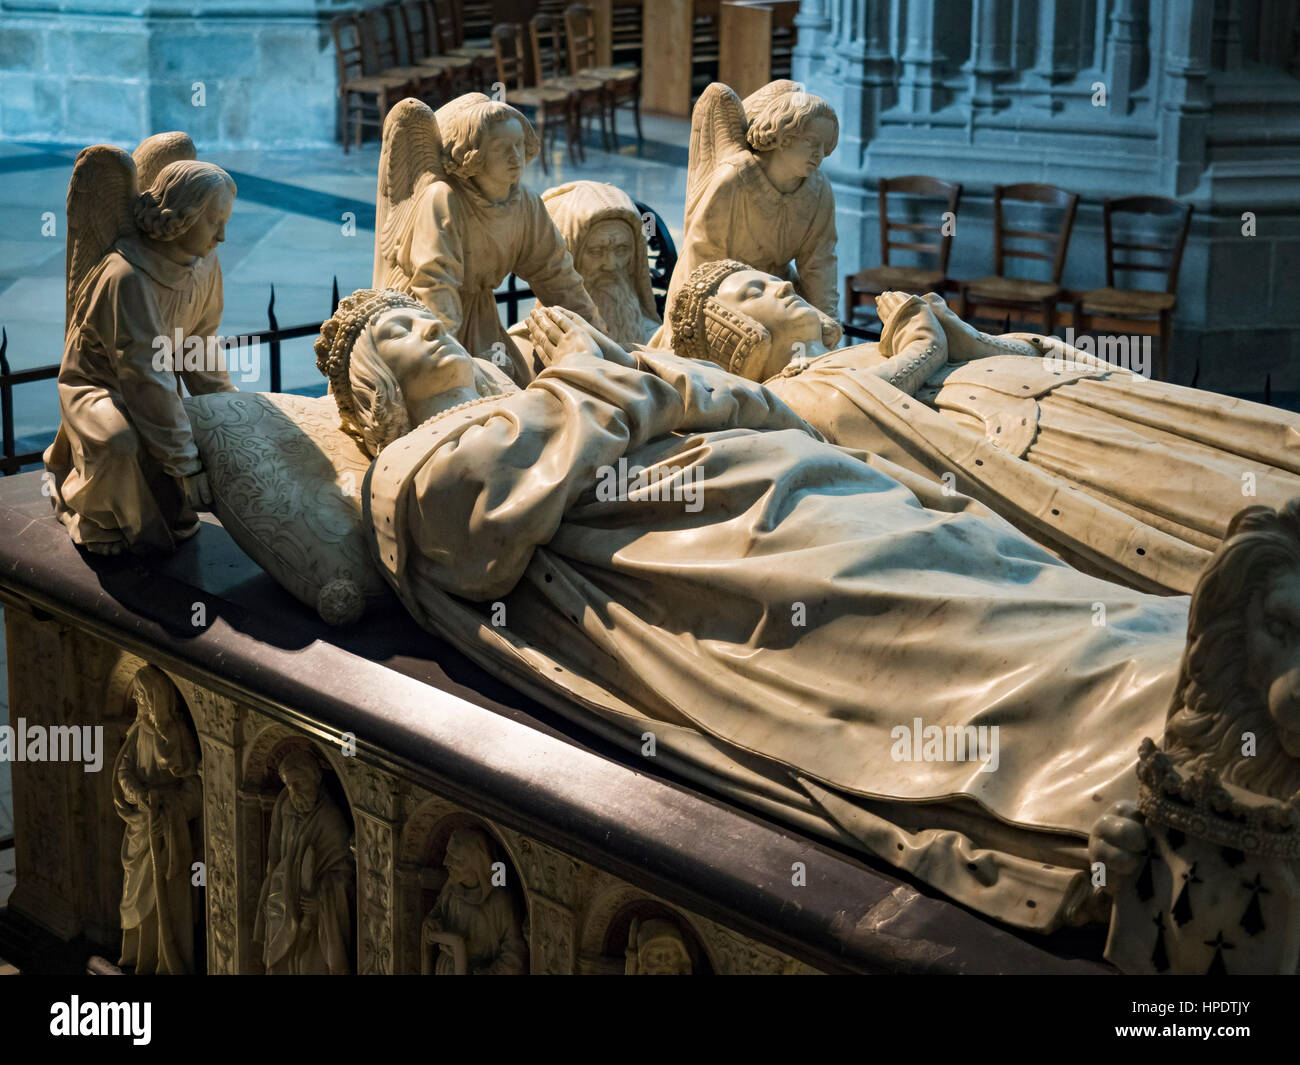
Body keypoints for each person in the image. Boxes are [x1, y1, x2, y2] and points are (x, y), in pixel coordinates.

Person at [314, 287, 1211, 934]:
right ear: (370, 394)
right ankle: (1141, 722)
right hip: (727, 572)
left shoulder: (538, 398)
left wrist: (632, 385)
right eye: (396, 331)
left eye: (425, 316)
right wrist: (609, 376)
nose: (427, 329)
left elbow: (718, 395)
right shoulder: (415, 473)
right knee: (947, 627)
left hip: (789, 488)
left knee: (990, 568)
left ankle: (1154, 660)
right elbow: (498, 509)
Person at [667, 259, 1300, 596]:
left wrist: (968, 339)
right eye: (753, 289)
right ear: (733, 331)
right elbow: (850, 412)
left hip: (1067, 400)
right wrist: (921, 342)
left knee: (1247, 444)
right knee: (1220, 503)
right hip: (1040, 451)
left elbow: (1016, 353)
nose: (780, 283)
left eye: (771, 276)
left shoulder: (847, 351)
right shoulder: (788, 393)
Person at [46, 158, 237, 554]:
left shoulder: (204, 266)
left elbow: (198, 344)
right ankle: (93, 514)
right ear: (180, 217)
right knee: (120, 442)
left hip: (153, 389)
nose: (222, 235)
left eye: (225, 221)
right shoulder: (127, 276)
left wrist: (228, 410)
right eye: (213, 221)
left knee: (200, 430)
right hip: (98, 389)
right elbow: (143, 375)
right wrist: (184, 461)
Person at [373, 94, 600, 384]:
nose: (515, 157)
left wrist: (595, 335)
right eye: (501, 148)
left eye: (519, 145)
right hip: (422, 323)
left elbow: (556, 274)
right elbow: (435, 284)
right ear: (473, 154)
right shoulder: (443, 199)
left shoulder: (526, 204)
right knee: (454, 401)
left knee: (508, 384)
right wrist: (450, 361)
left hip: (479, 318)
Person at [659, 81, 840, 348]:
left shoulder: (818, 189)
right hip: (718, 298)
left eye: (824, 146)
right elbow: (702, 260)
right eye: (812, 142)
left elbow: (820, 262)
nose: (819, 154)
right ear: (783, 135)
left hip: (777, 297)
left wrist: (827, 319)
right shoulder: (734, 179)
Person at [113, 667, 202, 975]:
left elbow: (195, 790)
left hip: (170, 834)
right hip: (141, 823)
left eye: (142, 695)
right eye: (136, 695)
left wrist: (168, 813)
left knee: (167, 899)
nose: (137, 699)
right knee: (135, 893)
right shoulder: (138, 731)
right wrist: (138, 795)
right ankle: (140, 957)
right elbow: (123, 771)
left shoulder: (177, 736)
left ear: (157, 699)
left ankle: (167, 960)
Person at [253, 749, 353, 974]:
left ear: (315, 779)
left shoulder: (331, 822)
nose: (294, 791)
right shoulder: (284, 806)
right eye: (289, 785)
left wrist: (321, 902)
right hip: (282, 902)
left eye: (299, 783)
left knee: (309, 965)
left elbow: (346, 877)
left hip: (316, 921)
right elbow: (275, 853)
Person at [421, 828, 527, 975]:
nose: (446, 862)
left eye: (456, 859)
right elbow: (438, 911)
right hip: (447, 968)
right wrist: (432, 923)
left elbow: (515, 954)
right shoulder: (451, 887)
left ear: (476, 862)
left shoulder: (500, 900)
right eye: (447, 854)